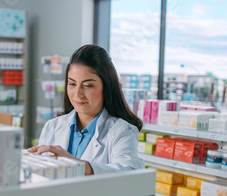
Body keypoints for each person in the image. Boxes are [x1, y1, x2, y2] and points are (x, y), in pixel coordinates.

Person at [28, 44, 144, 175]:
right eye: (72, 84)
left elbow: (128, 175)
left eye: (88, 85)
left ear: (107, 87)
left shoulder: (122, 131)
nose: (78, 93)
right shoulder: (53, 126)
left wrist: (75, 165)